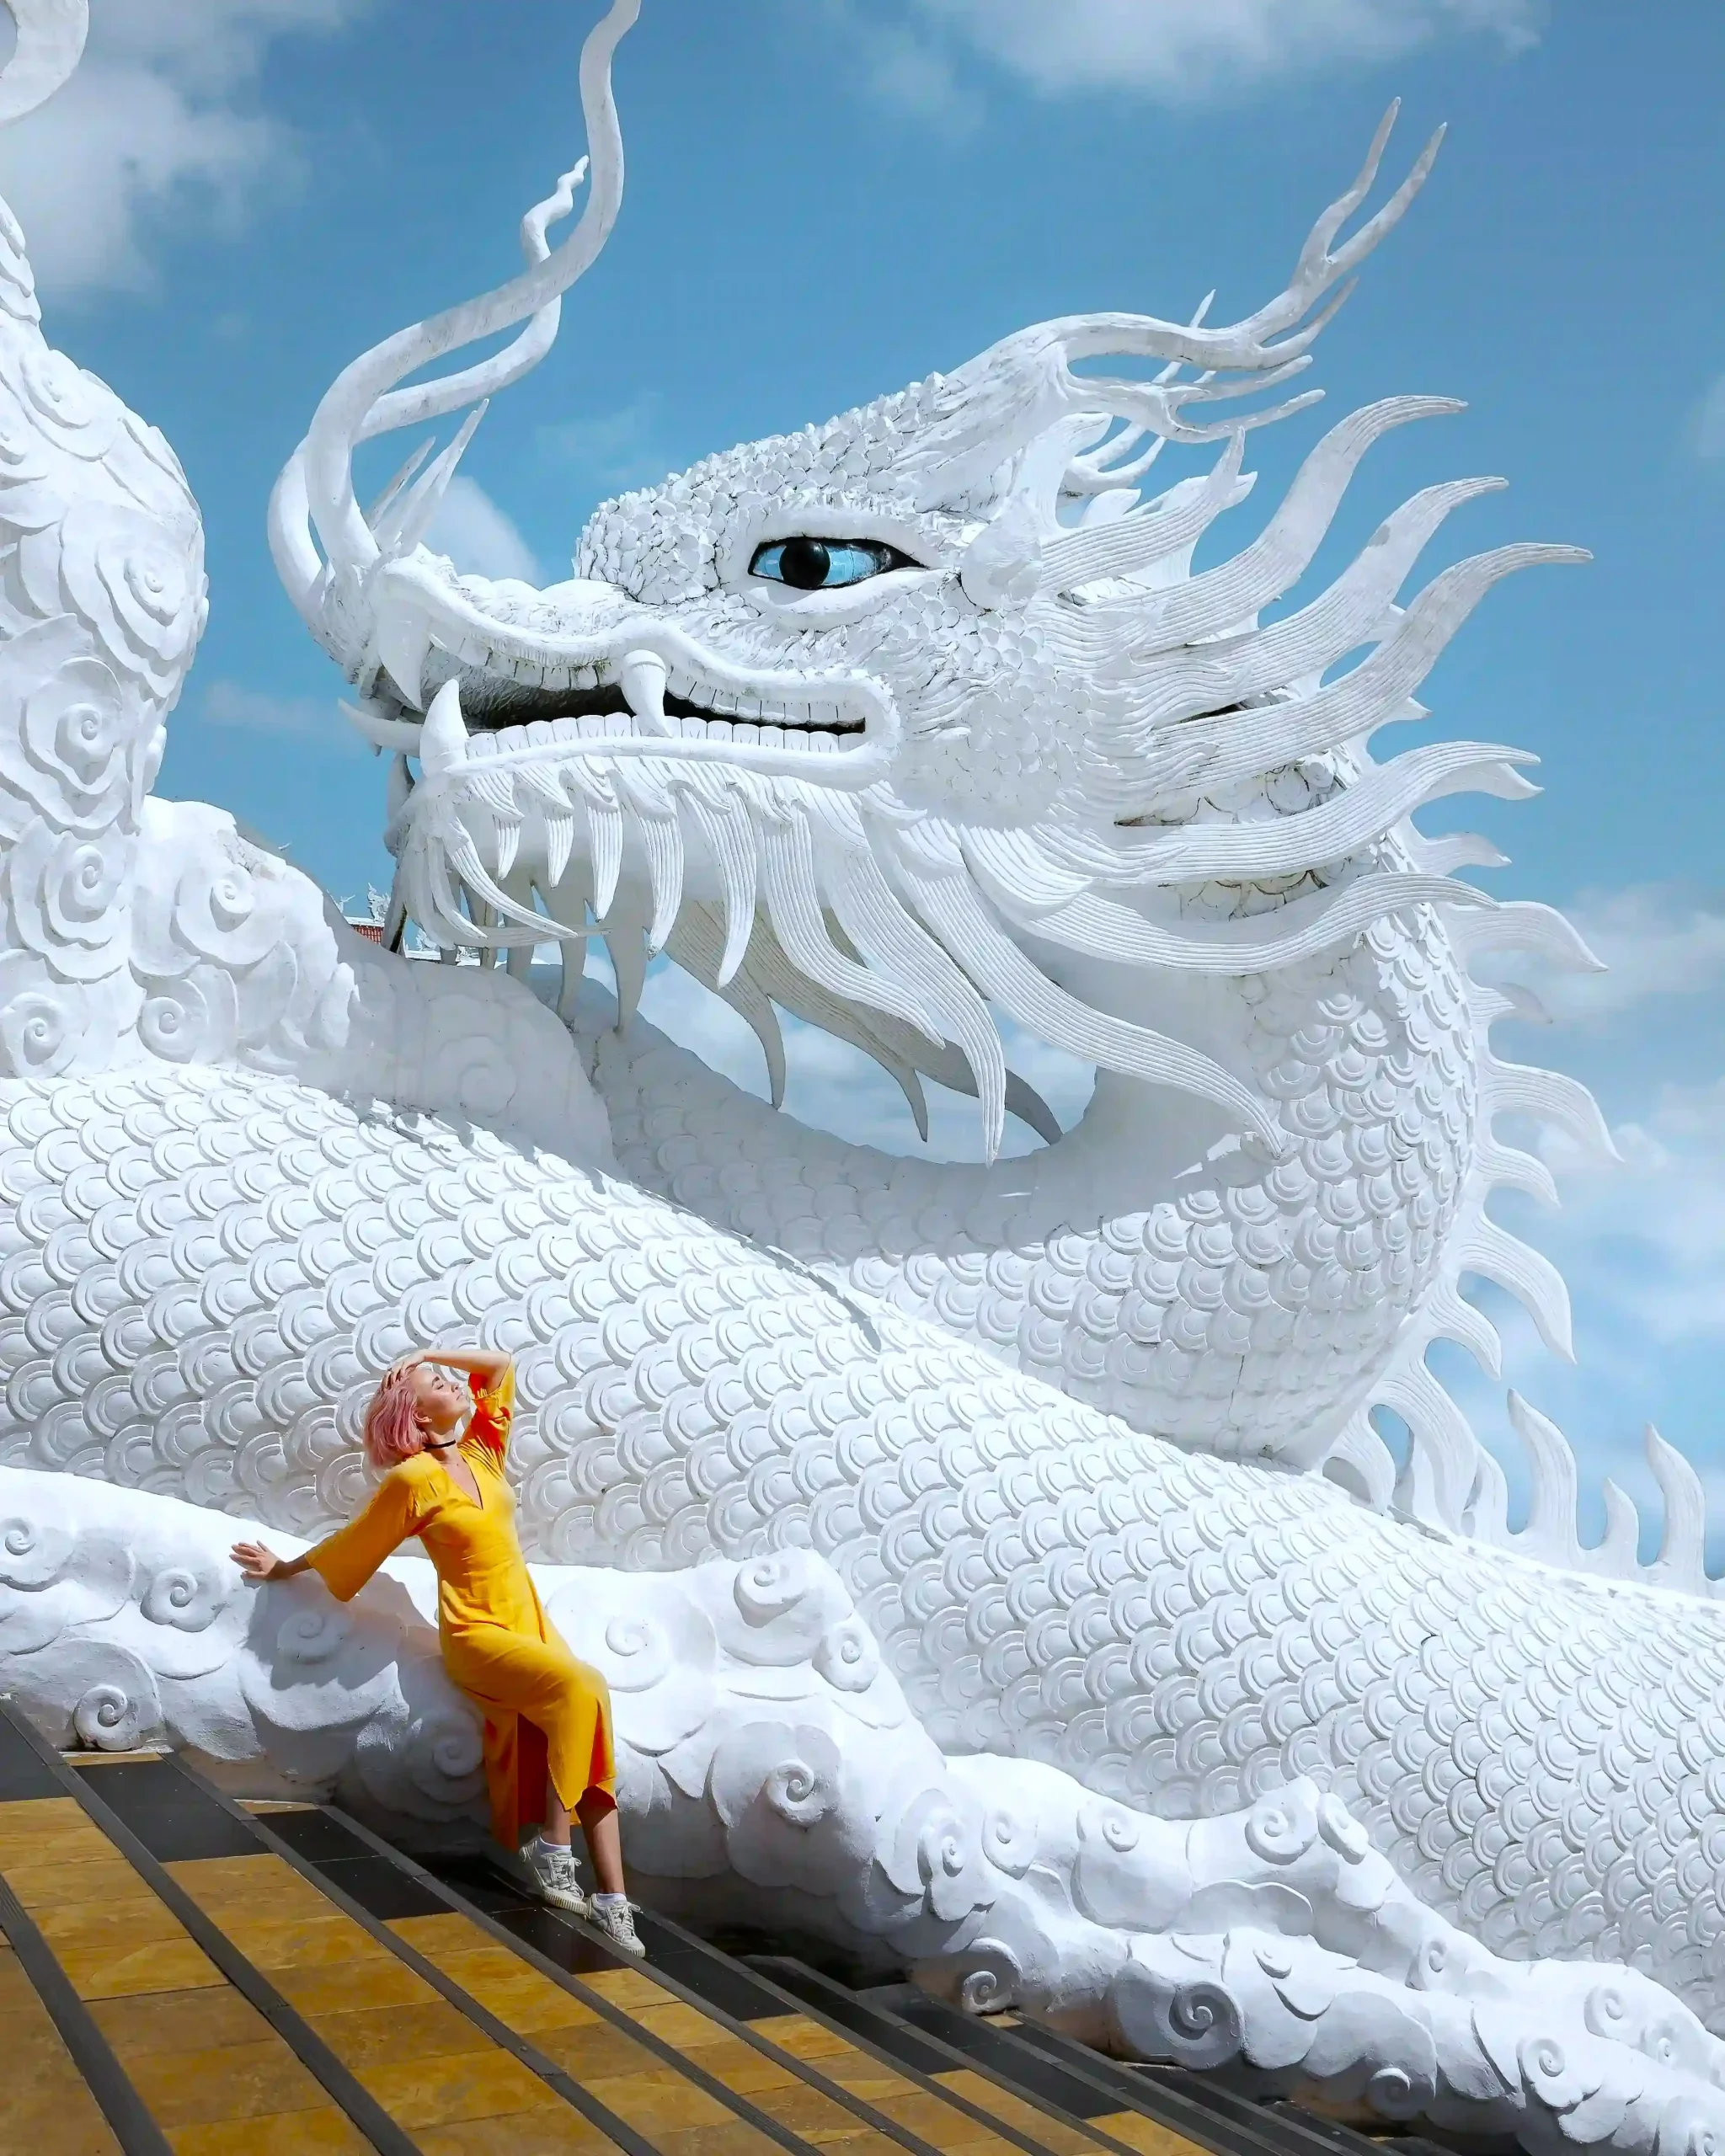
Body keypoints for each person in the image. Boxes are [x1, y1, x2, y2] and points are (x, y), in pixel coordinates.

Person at [231, 1344, 644, 1957]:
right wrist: (285, 1566)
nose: (454, 1383)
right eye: (437, 1382)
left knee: (591, 1714)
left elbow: (500, 1368)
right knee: (583, 1686)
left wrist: (425, 1352)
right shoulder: (411, 1481)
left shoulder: (481, 1454)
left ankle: (612, 1897)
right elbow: (357, 1542)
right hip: (477, 1634)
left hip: (530, 1627)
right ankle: (554, 1846)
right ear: (418, 1416)